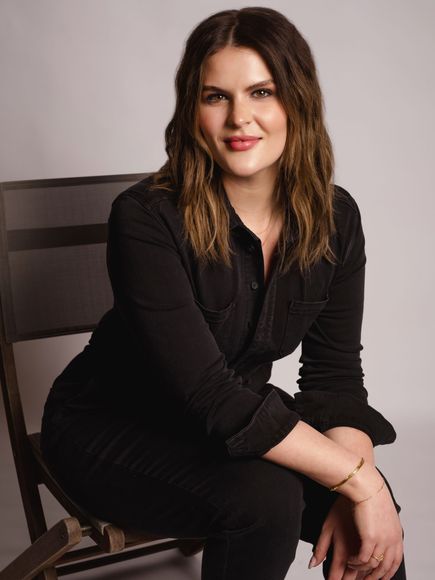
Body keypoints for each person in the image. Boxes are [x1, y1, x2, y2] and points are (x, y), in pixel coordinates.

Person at [40, 7, 406, 580]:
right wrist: (357, 478)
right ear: (193, 110)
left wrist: (365, 491)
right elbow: (207, 395)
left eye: (262, 91)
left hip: (234, 423)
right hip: (108, 429)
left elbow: (333, 378)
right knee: (266, 501)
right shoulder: (146, 218)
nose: (240, 118)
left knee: (374, 522)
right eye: (216, 97)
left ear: (297, 101)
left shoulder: (336, 218)